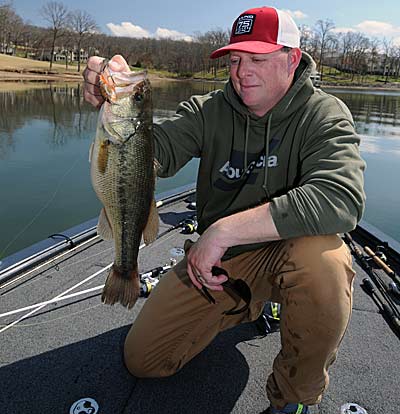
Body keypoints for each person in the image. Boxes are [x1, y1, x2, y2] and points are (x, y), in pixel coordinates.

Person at [83, 6, 365, 414]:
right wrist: (115, 110)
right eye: (235, 59)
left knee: (325, 261)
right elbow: (154, 151)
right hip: (222, 266)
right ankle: (246, 302)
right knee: (142, 360)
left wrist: (222, 231)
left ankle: (293, 398)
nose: (242, 71)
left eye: (257, 59)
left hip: (288, 252)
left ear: (291, 58)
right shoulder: (208, 110)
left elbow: (342, 197)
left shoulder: (324, 115)